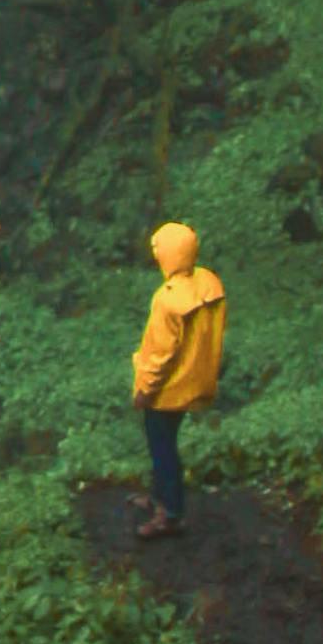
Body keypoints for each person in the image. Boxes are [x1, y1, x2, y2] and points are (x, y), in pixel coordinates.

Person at [130, 220, 226, 540]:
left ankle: (169, 513)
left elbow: (160, 354)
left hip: (167, 390)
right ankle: (160, 497)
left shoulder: (167, 299)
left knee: (162, 447)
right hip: (194, 382)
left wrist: (144, 389)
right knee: (165, 443)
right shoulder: (209, 283)